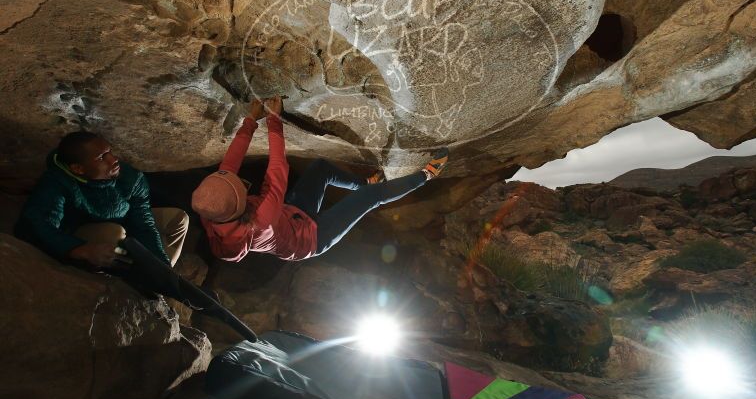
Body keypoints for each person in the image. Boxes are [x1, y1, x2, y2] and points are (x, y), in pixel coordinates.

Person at [191, 96, 448, 262]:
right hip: (312, 239)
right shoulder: (261, 220)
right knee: (369, 198)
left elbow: (230, 163)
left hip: (291, 214)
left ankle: (364, 183)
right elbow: (278, 168)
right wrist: (273, 119)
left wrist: (250, 121)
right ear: (238, 205)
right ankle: (426, 175)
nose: (234, 177)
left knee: (321, 169)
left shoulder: (211, 208)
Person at [15, 131, 188, 268]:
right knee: (113, 233)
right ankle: (121, 271)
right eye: (101, 157)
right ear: (78, 169)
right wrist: (78, 249)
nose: (113, 160)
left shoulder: (131, 178)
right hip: (80, 232)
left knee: (178, 219)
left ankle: (159, 276)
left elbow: (143, 222)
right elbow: (38, 225)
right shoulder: (57, 182)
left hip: (124, 225)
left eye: (110, 152)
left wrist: (161, 264)